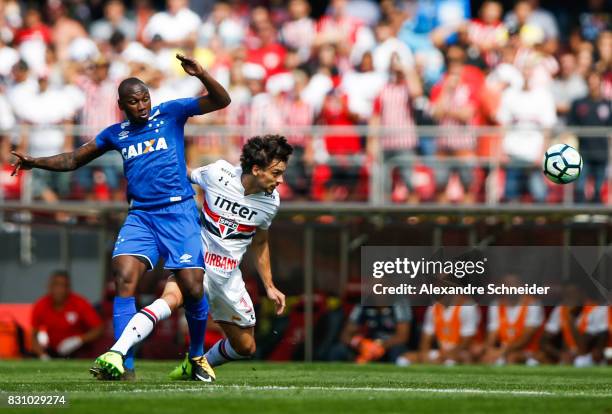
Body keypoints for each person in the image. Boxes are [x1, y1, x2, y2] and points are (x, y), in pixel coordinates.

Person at [11, 53, 231, 381]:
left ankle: (197, 355)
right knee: (124, 278)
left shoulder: (171, 113)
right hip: (142, 215)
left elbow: (221, 100)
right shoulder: (116, 133)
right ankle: (123, 364)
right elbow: (74, 159)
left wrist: (201, 73)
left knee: (193, 287)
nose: (141, 106)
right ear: (122, 105)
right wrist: (35, 162)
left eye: (144, 99)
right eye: (134, 101)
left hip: (179, 211)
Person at [93, 135, 292, 381]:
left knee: (246, 347)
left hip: (228, 278)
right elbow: (184, 173)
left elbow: (261, 243)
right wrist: (152, 158)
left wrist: (270, 286)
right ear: (256, 169)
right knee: (169, 300)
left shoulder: (271, 202)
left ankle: (196, 364)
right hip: (196, 262)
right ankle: (116, 353)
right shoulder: (219, 173)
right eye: (276, 173)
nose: (281, 180)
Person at [31, 270, 103, 359]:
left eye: (64, 286)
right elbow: (34, 335)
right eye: (56, 285)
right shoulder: (41, 305)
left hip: (79, 351)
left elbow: (99, 329)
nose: (60, 289)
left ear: (69, 288)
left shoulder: (79, 303)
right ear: (50, 286)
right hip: (53, 351)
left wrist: (78, 340)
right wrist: (42, 355)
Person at [328, 299, 411, 364]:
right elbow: (345, 335)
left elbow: (402, 336)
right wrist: (361, 344)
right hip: (365, 346)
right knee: (337, 350)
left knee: (398, 352)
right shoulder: (363, 302)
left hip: (388, 347)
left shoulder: (400, 302)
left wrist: (378, 346)